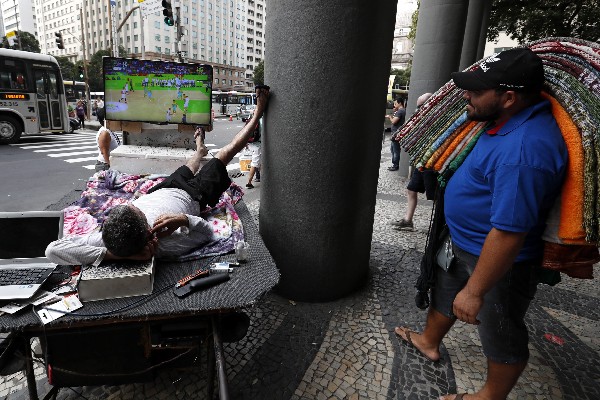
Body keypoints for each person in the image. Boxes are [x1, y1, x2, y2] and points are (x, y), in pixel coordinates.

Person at [393, 48, 567, 400]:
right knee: (444, 295)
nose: (466, 96)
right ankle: (429, 341)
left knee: (500, 331)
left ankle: (489, 396)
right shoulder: (503, 121)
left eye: (476, 90)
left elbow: (508, 232)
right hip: (463, 244)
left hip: (497, 264)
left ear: (508, 97)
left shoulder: (525, 151)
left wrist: (475, 291)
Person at [45, 85, 270, 266]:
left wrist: (116, 256)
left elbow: (52, 249)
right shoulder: (166, 245)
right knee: (223, 155)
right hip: (193, 195)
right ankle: (258, 113)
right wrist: (185, 220)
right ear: (149, 235)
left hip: (160, 190)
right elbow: (208, 233)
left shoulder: (103, 240)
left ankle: (199, 149)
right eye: (144, 218)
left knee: (189, 166)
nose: (137, 208)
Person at [391, 93, 436, 231]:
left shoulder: (437, 119)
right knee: (411, 190)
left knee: (435, 195)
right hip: (420, 161)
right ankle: (407, 220)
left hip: (432, 163)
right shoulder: (420, 119)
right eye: (417, 107)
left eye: (421, 106)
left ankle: (439, 225)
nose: (418, 109)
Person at [386, 98, 405, 171]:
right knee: (393, 149)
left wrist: (390, 117)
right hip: (398, 133)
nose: (394, 105)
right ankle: (395, 164)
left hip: (396, 133)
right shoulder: (402, 110)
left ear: (400, 103)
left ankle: (395, 165)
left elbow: (394, 122)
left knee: (395, 150)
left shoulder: (400, 111)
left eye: (395, 103)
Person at [245, 117, 261, 189]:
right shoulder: (262, 120)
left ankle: (258, 177)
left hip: (250, 143)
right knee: (254, 164)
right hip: (257, 145)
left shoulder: (252, 118)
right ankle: (249, 182)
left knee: (256, 162)